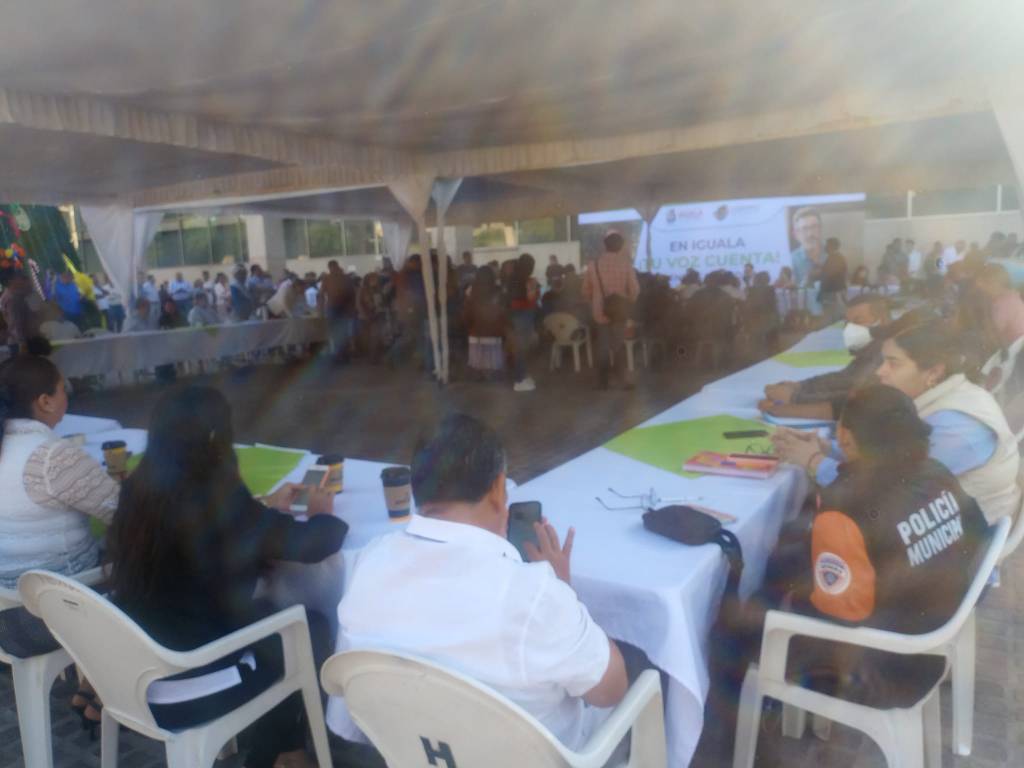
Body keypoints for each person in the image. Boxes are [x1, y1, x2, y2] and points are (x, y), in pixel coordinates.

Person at [709, 385, 990, 763]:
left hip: (880, 670)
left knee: (732, 628)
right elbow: (977, 537)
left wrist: (780, 592)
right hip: (934, 642)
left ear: (846, 437)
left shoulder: (845, 504)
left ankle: (735, 749)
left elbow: (837, 613)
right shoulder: (938, 473)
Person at [329, 414, 628, 749]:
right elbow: (611, 691)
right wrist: (566, 593)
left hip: (413, 753)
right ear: (499, 489)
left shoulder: (369, 563)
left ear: (417, 490)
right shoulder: (535, 595)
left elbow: (349, 711)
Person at [107, 385, 345, 768]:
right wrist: (321, 513)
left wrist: (263, 506)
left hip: (134, 669)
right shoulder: (213, 494)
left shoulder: (138, 487)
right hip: (186, 684)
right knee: (307, 627)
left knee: (273, 621)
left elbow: (218, 530)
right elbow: (316, 544)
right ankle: (273, 755)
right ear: (215, 436)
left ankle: (287, 752)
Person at [775, 321, 1021, 525]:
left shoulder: (956, 426)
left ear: (934, 373)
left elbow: (886, 495)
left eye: (894, 363)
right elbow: (889, 460)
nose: (881, 371)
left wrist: (815, 461)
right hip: (938, 526)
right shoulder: (940, 399)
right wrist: (829, 448)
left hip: (961, 543)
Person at [761, 295, 893, 421]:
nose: (849, 328)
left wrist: (795, 399)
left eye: (858, 321)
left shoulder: (887, 353)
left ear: (882, 320)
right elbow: (846, 378)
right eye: (847, 322)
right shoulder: (874, 346)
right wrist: (801, 386)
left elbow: (860, 399)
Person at [583, 231, 640, 390]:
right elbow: (635, 289)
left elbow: (585, 290)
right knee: (618, 345)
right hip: (619, 311)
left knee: (602, 346)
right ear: (620, 247)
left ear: (604, 245)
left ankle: (603, 381)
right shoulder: (626, 264)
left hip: (599, 311)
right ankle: (622, 379)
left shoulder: (593, 265)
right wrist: (628, 301)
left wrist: (594, 301)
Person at [463, 266, 507, 378]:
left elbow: (467, 313)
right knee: (493, 369)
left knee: (477, 366)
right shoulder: (498, 291)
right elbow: (503, 313)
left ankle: (479, 375)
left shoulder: (472, 292)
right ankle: (491, 375)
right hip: (493, 332)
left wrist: (469, 326)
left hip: (476, 332)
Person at [507, 252, 541, 392]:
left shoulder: (511, 278)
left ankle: (522, 376)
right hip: (524, 315)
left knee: (519, 347)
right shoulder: (527, 280)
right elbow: (531, 299)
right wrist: (535, 288)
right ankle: (519, 380)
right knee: (521, 348)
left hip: (514, 315)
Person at [975, 263, 1024, 347]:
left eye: (982, 285)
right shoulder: (1013, 295)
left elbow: (991, 336)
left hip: (1014, 348)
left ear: (992, 284)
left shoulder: (1003, 304)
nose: (980, 288)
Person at [320, 260, 357, 362]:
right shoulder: (327, 279)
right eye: (331, 267)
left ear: (337, 266)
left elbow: (352, 294)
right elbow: (321, 295)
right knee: (335, 332)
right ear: (329, 268)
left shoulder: (345, 278)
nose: (333, 269)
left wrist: (352, 308)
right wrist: (320, 310)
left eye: (335, 267)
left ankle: (343, 355)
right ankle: (338, 355)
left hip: (344, 308)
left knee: (344, 331)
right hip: (332, 308)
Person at [789, 207, 824, 287]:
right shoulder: (791, 260)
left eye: (814, 227)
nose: (810, 234)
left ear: (821, 229)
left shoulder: (834, 254)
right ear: (796, 234)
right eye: (804, 229)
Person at [818, 237, 848, 322]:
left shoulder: (836, 258)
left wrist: (818, 273)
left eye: (826, 245)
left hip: (833, 291)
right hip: (832, 291)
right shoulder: (835, 257)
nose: (824, 247)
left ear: (831, 246)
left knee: (833, 316)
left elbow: (829, 274)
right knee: (831, 315)